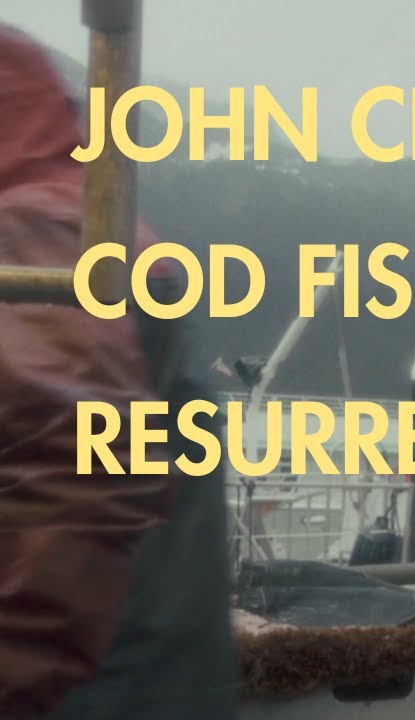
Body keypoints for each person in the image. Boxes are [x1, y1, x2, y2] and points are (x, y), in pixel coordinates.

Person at [0, 25, 240, 719]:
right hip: (157, 675)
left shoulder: (33, 242)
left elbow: (69, 478)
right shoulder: (94, 224)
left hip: (84, 694)